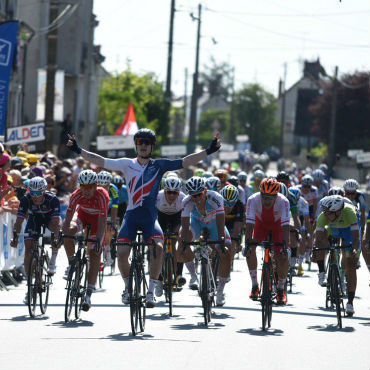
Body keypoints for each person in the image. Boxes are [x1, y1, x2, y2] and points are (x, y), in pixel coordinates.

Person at [66, 129, 221, 308]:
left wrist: (208, 151)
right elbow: (100, 160)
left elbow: (186, 161)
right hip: (131, 217)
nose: (144, 145)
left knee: (159, 248)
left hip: (150, 218)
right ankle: (128, 288)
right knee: (122, 253)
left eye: (147, 142)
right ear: (136, 145)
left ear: (152, 146)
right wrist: (78, 150)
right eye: (140, 142)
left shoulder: (159, 165)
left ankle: (151, 290)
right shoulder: (126, 164)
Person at [62, 170, 109, 311]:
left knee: (94, 253)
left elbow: (102, 221)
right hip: (83, 216)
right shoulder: (76, 195)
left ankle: (88, 293)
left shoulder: (102, 195)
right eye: (83, 187)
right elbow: (69, 216)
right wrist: (64, 234)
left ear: (95, 185)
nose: (86, 191)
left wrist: (99, 241)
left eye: (89, 187)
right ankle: (72, 263)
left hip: (97, 223)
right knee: (68, 232)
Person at [180, 176, 232, 306]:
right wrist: (185, 243)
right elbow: (185, 225)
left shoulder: (215, 197)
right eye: (193, 196)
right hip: (196, 223)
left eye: (199, 194)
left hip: (215, 224)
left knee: (226, 251)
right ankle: (193, 276)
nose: (197, 198)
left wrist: (221, 240)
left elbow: (221, 222)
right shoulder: (186, 201)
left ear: (205, 190)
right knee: (182, 242)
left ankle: (220, 292)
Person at [10, 177, 62, 304]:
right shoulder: (26, 199)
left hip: (49, 218)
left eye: (38, 193)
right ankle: (30, 286)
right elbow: (19, 221)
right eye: (32, 192)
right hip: (34, 219)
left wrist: (55, 238)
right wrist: (15, 236)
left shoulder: (52, 199)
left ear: (44, 191)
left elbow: (55, 222)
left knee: (58, 229)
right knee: (28, 249)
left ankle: (52, 261)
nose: (35, 196)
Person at [244, 178, 290, 305]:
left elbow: (285, 227)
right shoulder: (253, 200)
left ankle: (281, 289)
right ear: (260, 194)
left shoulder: (283, 201)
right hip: (261, 225)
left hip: (277, 227)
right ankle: (255, 286)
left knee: (282, 256)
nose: (267, 200)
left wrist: (285, 246)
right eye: (264, 197)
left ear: (276, 196)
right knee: (250, 250)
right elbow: (249, 224)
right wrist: (248, 243)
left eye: (270, 197)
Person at [314, 195, 360, 316]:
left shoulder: (350, 213)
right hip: (333, 229)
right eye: (325, 212)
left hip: (348, 231)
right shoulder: (323, 216)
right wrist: (316, 250)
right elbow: (318, 239)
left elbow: (356, 239)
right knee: (320, 243)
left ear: (338, 211)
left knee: (351, 264)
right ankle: (322, 272)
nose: (326, 215)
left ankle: (350, 302)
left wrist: (354, 250)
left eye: (329, 213)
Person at [156, 176, 186, 295]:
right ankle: (158, 279)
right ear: (164, 191)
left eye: (175, 193)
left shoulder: (183, 199)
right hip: (161, 218)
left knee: (180, 241)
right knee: (156, 246)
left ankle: (178, 275)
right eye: (169, 192)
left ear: (179, 192)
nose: (172, 195)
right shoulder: (158, 197)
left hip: (176, 218)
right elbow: (151, 216)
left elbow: (185, 219)